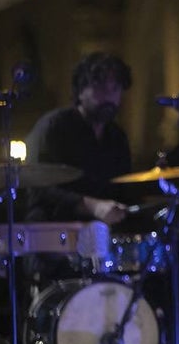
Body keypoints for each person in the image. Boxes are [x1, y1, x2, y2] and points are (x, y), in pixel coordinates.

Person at [24, 52, 135, 226]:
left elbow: (125, 190)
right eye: (100, 87)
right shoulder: (54, 126)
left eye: (115, 88)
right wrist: (91, 206)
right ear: (80, 90)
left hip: (104, 236)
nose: (108, 96)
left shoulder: (117, 137)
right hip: (53, 232)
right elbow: (39, 188)